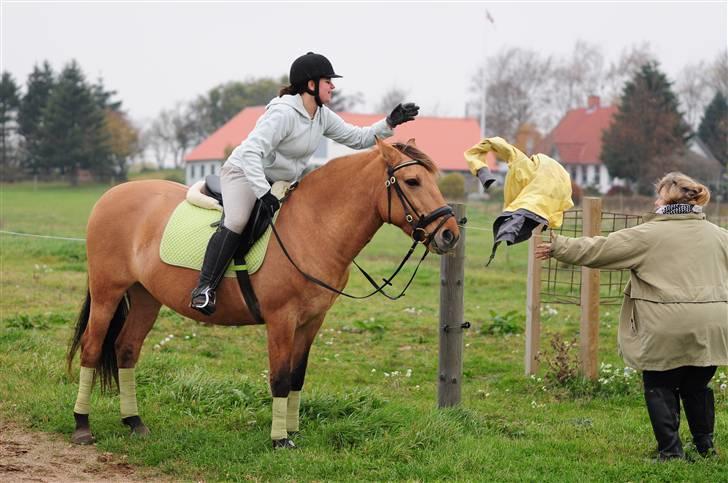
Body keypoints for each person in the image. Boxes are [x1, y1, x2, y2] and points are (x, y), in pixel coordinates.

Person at [190, 52, 420, 315]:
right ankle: (204, 289)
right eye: (327, 81)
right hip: (244, 173)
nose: (333, 86)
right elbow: (252, 153)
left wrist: (390, 122)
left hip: (280, 182)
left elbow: (357, 138)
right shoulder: (283, 114)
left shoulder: (321, 115)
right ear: (311, 85)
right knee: (238, 220)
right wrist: (263, 193)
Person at [535, 172, 728, 460]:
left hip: (667, 324)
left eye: (659, 196)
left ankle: (671, 453)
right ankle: (705, 448)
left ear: (668, 201)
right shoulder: (719, 235)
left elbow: (601, 249)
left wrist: (559, 246)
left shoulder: (648, 234)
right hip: (715, 325)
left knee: (660, 384)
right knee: (697, 384)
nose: (654, 201)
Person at [465, 136, 573, 265]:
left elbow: (488, 144)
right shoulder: (523, 165)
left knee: (525, 215)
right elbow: (492, 143)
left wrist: (481, 171)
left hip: (546, 197)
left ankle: (529, 214)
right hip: (556, 195)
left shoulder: (521, 163)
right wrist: (482, 172)